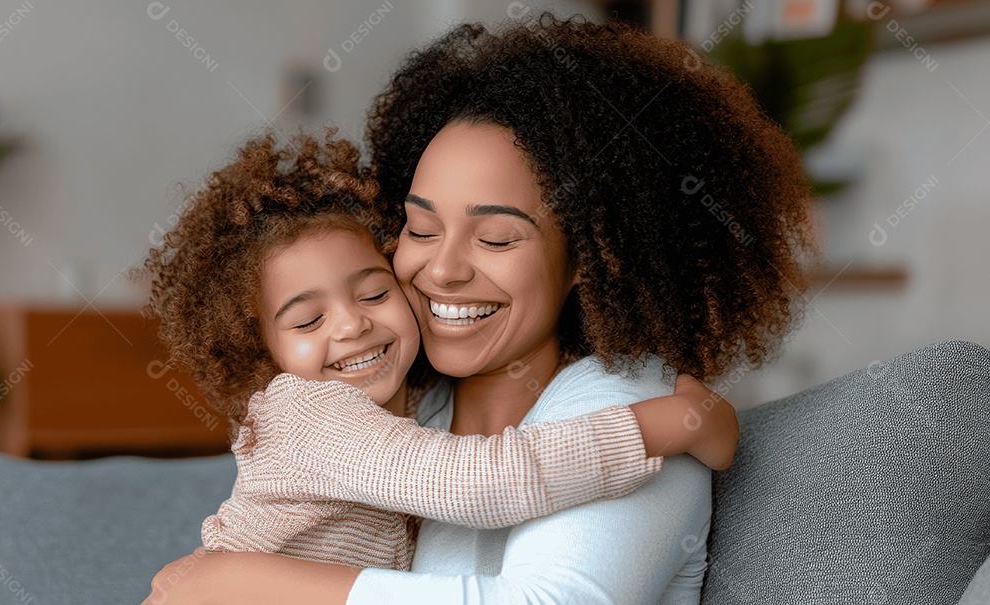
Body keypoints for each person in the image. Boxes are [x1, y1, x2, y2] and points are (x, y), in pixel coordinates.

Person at [143, 12, 812, 605]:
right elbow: (472, 482)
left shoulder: (618, 401)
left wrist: (240, 585)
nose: (443, 268)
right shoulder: (400, 408)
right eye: (421, 229)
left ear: (588, 255)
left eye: (495, 237)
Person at [147, 129, 739, 571]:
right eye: (308, 319)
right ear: (261, 349)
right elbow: (482, 482)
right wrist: (667, 425)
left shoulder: (415, 406)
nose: (352, 325)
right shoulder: (307, 415)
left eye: (374, 292)